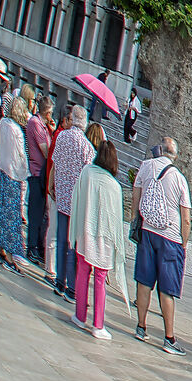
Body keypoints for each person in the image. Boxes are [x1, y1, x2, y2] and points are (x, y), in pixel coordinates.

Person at [129, 136, 192, 354]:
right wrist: (183, 243)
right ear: (174, 155)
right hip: (171, 236)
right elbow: (185, 217)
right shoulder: (179, 178)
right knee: (167, 289)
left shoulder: (145, 167)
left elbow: (136, 194)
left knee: (144, 281)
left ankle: (141, 326)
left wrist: (135, 219)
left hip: (148, 229)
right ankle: (168, 337)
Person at [67, 139, 126, 339]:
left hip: (86, 230)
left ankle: (79, 315)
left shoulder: (87, 173)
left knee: (83, 272)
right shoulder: (114, 186)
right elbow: (117, 219)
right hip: (104, 238)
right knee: (100, 279)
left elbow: (77, 198)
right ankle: (98, 324)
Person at [48, 105, 93, 302]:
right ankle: (72, 287)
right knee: (72, 244)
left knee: (60, 237)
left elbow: (55, 163)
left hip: (62, 194)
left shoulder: (62, 137)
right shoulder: (86, 147)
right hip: (77, 200)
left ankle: (59, 280)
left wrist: (51, 185)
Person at [0, 96, 29, 272]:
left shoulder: (2, 123)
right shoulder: (16, 130)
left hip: (2, 170)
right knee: (11, 217)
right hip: (13, 175)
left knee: (0, 211)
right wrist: (25, 173)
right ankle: (9, 256)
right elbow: (21, 156)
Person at [23, 95, 51, 271]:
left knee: (41, 213)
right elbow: (46, 150)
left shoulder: (43, 125)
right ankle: (32, 247)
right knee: (35, 213)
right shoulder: (35, 124)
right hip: (36, 172)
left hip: (41, 173)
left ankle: (37, 246)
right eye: (49, 113)